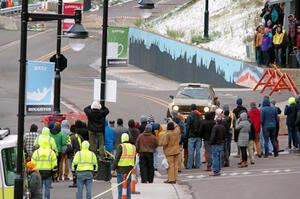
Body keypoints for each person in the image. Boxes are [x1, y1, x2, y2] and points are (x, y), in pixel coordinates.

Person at [112, 133, 136, 199]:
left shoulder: (121, 146)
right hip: (129, 169)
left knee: (120, 187)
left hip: (121, 169)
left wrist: (113, 169)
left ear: (122, 139)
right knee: (128, 186)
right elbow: (134, 159)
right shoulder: (133, 147)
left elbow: (116, 158)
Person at [185, 104, 203, 169]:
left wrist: (186, 136)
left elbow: (187, 127)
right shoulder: (200, 115)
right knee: (198, 151)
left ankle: (189, 165)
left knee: (191, 151)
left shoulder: (189, 116)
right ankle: (198, 165)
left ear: (191, 109)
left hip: (191, 136)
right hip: (198, 136)